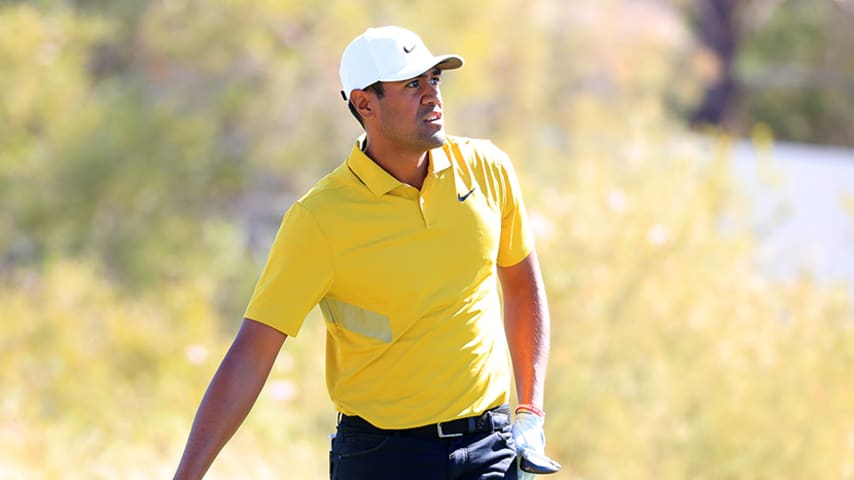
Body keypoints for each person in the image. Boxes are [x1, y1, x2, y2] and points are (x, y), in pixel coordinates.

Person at [174, 25, 554, 480]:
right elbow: (252, 354)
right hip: (382, 457)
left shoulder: (487, 168)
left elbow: (521, 287)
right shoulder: (320, 218)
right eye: (412, 85)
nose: (432, 96)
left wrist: (529, 413)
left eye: (434, 79)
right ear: (364, 103)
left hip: (489, 447)